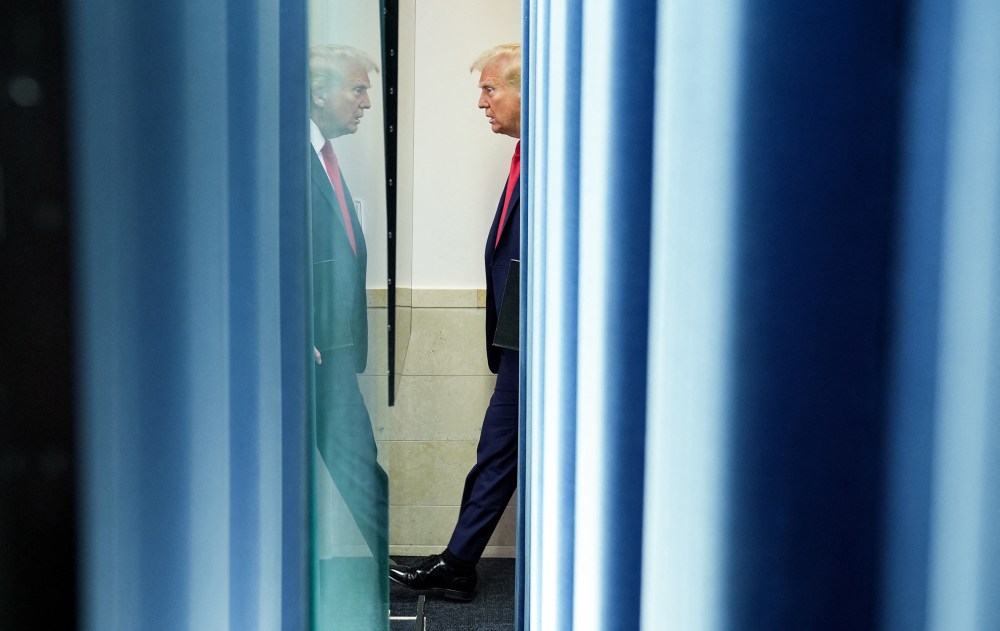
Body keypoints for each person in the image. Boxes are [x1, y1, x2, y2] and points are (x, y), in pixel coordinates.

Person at [389, 43, 523, 602]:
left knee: (497, 454)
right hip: (520, 344)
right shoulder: (528, 158)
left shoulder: (568, 162)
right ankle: (458, 564)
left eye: (490, 89)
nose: (481, 102)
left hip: (543, 346)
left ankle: (459, 565)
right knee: (494, 454)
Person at [308, 44, 389, 617]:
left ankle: (384, 575)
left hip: (331, 349)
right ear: (319, 93)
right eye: (357, 89)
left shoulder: (323, 157)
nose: (366, 102)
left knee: (359, 463)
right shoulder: (281, 157)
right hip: (303, 352)